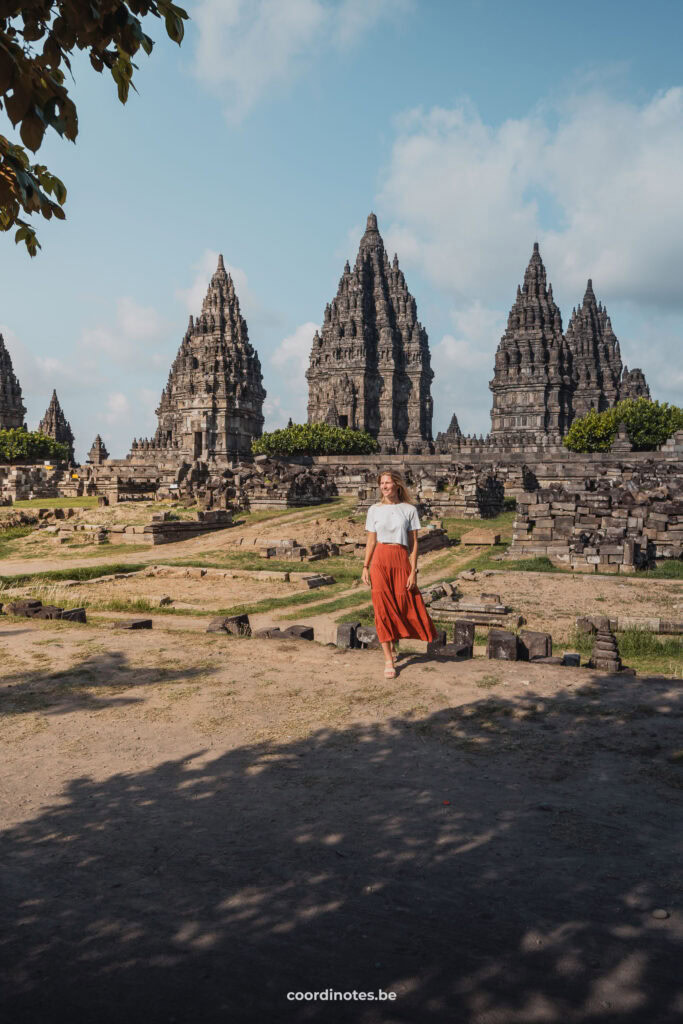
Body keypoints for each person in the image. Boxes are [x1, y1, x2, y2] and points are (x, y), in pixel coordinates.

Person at [361, 470, 437, 677]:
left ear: (397, 485)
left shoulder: (409, 510)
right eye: (382, 483)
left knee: (405, 603)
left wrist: (414, 571)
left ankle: (395, 642)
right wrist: (365, 566)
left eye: (388, 482)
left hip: (400, 558)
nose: (385, 486)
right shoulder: (374, 510)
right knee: (382, 608)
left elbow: (414, 544)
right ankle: (388, 660)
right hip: (380, 560)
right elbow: (371, 541)